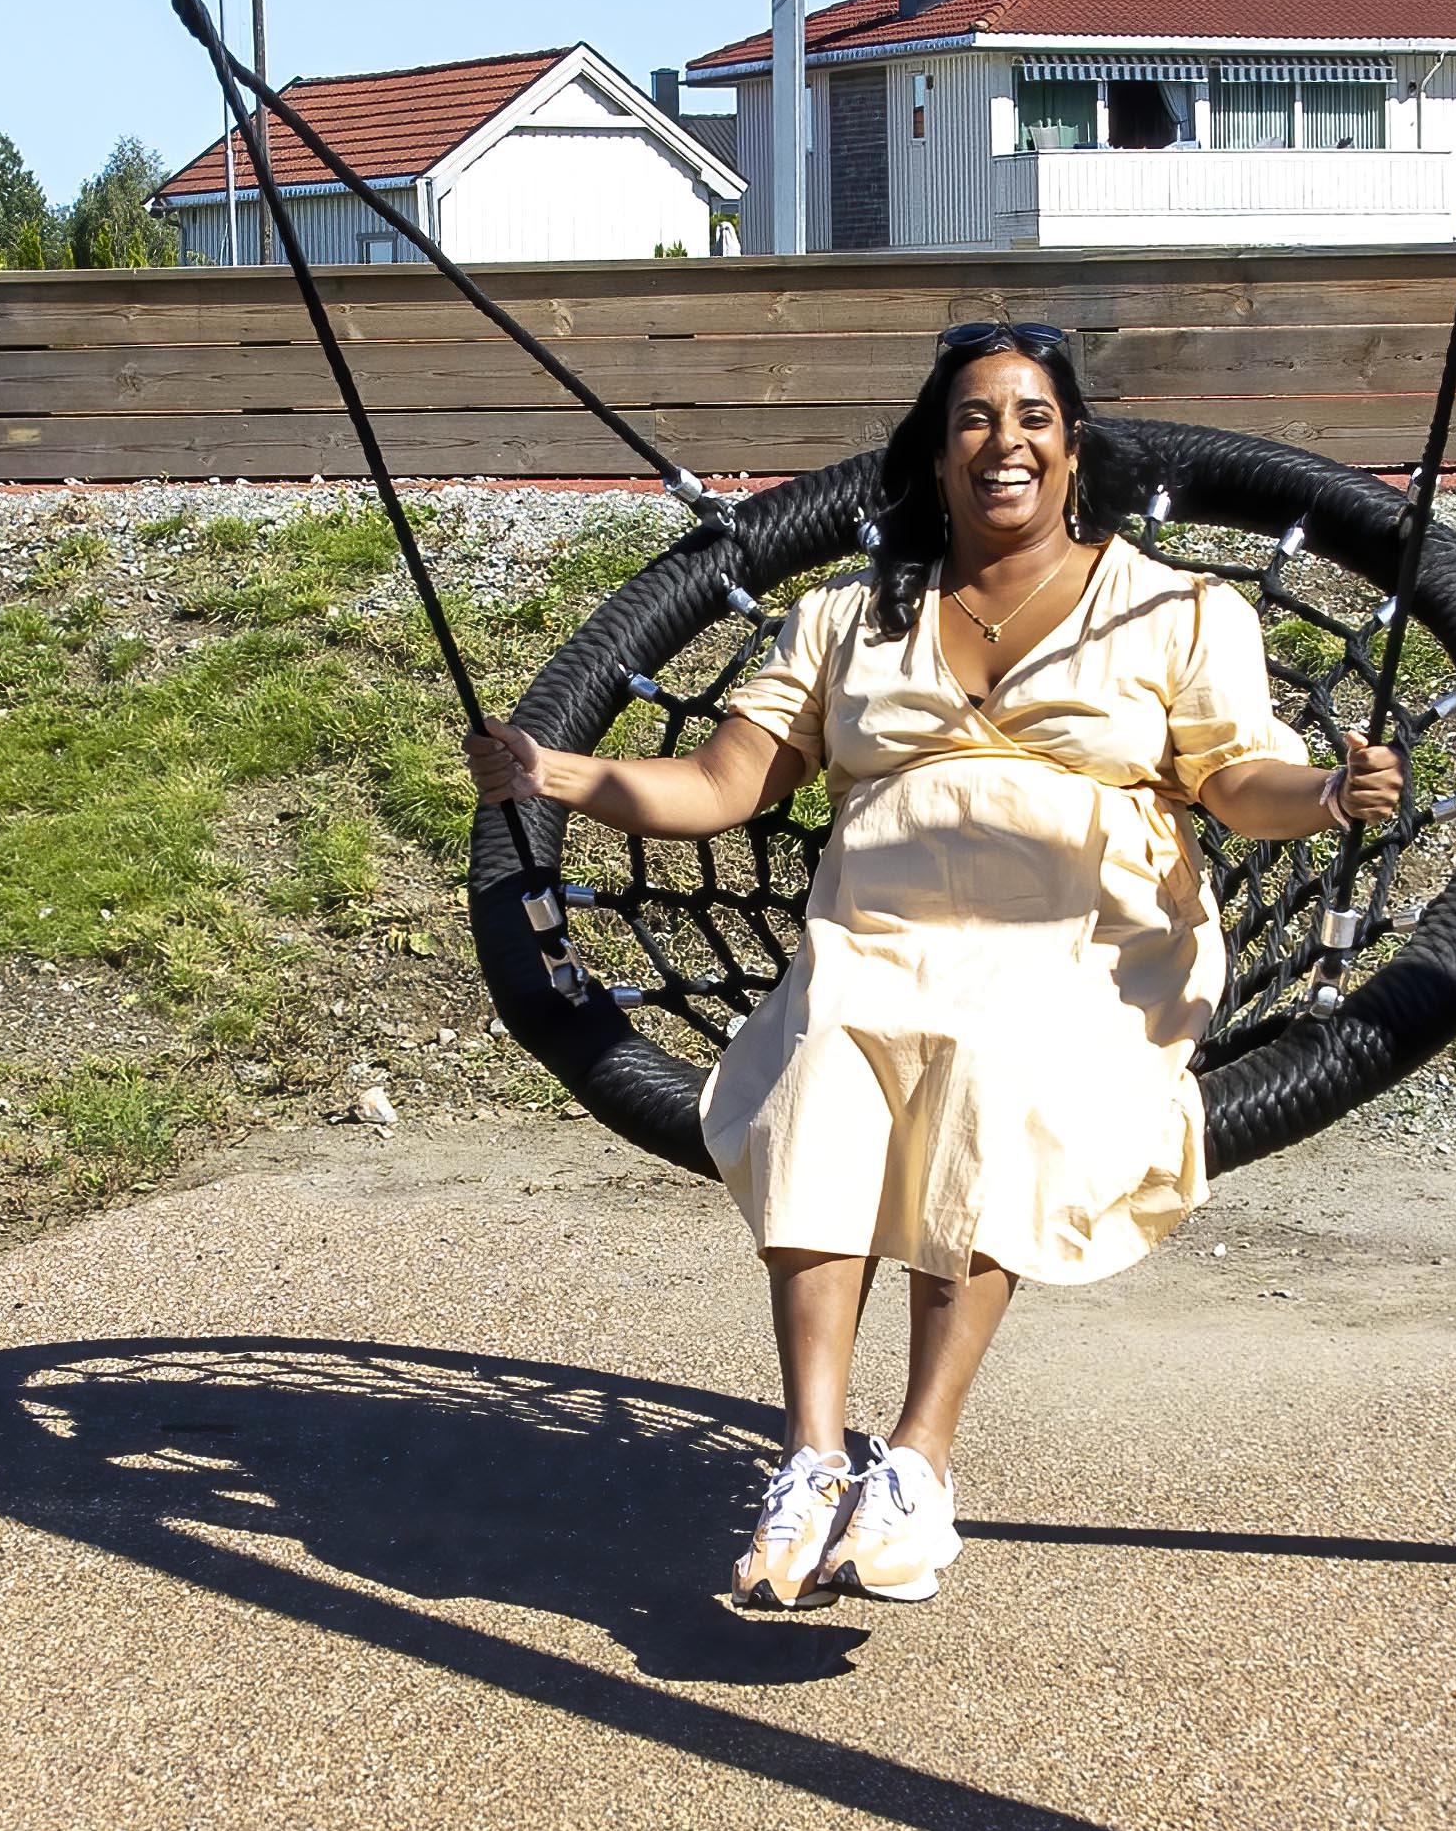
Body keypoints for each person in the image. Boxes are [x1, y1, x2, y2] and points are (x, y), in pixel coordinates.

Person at [466, 322, 1401, 1610]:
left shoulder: (1180, 611)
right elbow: (724, 784)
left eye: (1031, 418)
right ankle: (809, 1455)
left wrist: (1333, 795)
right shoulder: (848, 616)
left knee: (997, 1070)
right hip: (882, 932)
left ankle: (918, 1458)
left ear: (1074, 449)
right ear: (936, 452)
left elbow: (1239, 783)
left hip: (1081, 937)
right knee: (816, 1074)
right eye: (973, 419)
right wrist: (560, 774)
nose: (1002, 443)